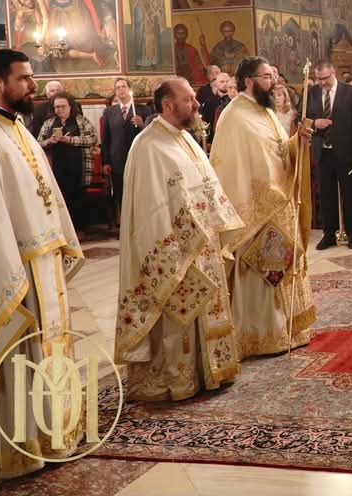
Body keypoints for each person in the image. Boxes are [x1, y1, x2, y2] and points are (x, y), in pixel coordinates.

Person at [0, 49, 83, 481]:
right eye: (24, 78)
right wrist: (9, 273)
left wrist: (60, 242)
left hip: (40, 265)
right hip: (8, 271)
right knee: (12, 360)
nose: (33, 85)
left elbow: (45, 193)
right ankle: (5, 454)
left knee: (41, 358)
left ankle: (45, 438)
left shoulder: (16, 127)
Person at [115, 78, 245, 401]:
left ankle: (208, 372)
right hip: (175, 250)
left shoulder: (184, 138)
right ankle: (176, 379)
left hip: (203, 245)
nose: (197, 105)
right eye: (189, 100)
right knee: (178, 318)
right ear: (168, 105)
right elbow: (149, 211)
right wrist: (177, 249)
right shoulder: (148, 146)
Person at [211, 57, 317, 358]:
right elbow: (232, 168)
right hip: (254, 209)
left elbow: (279, 152)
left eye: (273, 76)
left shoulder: (264, 111)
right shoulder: (234, 116)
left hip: (278, 203)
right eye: (267, 77)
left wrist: (297, 142)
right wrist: (264, 197)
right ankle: (258, 335)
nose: (273, 82)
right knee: (261, 269)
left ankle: (286, 329)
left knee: (279, 266)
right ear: (248, 80)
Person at [305, 60, 352, 250]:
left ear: (333, 72)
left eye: (325, 78)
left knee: (350, 195)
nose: (322, 82)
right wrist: (315, 123)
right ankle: (329, 235)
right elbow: (302, 117)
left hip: (347, 153)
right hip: (322, 152)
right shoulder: (312, 92)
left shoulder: (350, 92)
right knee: (326, 196)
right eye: (319, 79)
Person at [37, 92, 98, 231]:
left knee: (78, 199)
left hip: (78, 167)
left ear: (70, 106)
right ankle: (63, 230)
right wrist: (50, 141)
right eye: (57, 107)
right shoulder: (49, 122)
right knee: (60, 199)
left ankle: (79, 229)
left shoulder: (81, 120)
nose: (59, 110)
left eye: (63, 106)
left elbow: (93, 139)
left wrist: (71, 140)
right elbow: (38, 143)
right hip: (56, 167)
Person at [101, 78, 153, 224]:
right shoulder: (109, 112)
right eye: (117, 87)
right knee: (121, 193)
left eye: (123, 86)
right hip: (117, 159)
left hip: (138, 158)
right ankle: (125, 223)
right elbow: (106, 138)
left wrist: (142, 124)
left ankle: (141, 222)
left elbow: (151, 134)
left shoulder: (144, 110)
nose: (120, 89)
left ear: (130, 89)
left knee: (139, 191)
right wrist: (105, 161)